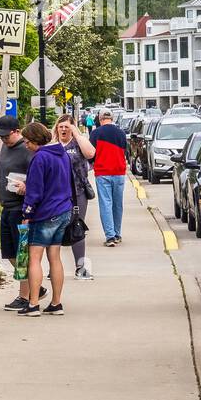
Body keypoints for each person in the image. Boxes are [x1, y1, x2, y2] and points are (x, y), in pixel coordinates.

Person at [14, 120, 73, 316]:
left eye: (27, 141)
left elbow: (35, 191)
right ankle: (56, 303)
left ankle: (33, 303)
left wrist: (27, 213)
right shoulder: (61, 154)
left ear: (36, 140)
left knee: (34, 259)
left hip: (44, 214)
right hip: (63, 211)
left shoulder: (40, 158)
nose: (26, 145)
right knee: (55, 258)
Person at [0, 115, 39, 310]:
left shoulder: (26, 149)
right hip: (7, 206)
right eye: (1, 136)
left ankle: (25, 295)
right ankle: (36, 284)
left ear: (17, 131)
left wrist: (26, 185)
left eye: (7, 136)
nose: (4, 140)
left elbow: (38, 176)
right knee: (10, 252)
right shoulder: (5, 147)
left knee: (22, 254)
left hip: (21, 207)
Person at [55, 114, 97, 280]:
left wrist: (77, 134)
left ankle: (80, 267)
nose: (64, 129)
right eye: (61, 126)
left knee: (77, 228)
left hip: (77, 192)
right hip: (56, 194)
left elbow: (90, 153)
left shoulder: (77, 143)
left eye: (67, 126)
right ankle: (54, 268)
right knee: (55, 229)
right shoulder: (53, 144)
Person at [88, 110, 129, 246]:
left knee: (106, 204)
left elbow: (90, 154)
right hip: (119, 172)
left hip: (102, 172)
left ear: (100, 119)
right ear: (112, 119)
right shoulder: (121, 133)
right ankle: (117, 234)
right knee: (118, 205)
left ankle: (110, 236)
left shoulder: (95, 134)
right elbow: (125, 152)